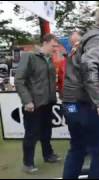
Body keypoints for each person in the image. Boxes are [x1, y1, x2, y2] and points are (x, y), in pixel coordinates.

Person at [62, 7, 99, 179]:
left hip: (71, 102)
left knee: (77, 148)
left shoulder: (88, 37)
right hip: (84, 103)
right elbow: (89, 65)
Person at [15, 34, 61, 174]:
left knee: (46, 131)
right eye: (53, 46)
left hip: (48, 102)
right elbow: (19, 80)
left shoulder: (49, 59)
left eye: (56, 46)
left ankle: (48, 155)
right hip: (33, 104)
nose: (55, 48)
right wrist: (27, 101)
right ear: (45, 43)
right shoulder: (29, 56)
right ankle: (27, 163)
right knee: (32, 134)